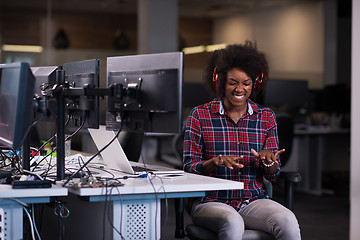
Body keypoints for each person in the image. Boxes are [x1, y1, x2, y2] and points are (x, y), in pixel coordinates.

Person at [183, 41, 301, 240]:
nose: (240, 89)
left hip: (253, 200)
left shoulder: (266, 117)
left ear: (255, 83)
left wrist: (269, 162)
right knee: (233, 222)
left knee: (287, 221)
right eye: (233, 82)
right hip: (210, 202)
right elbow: (188, 168)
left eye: (246, 83)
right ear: (219, 81)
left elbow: (273, 175)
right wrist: (213, 162)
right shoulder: (199, 115)